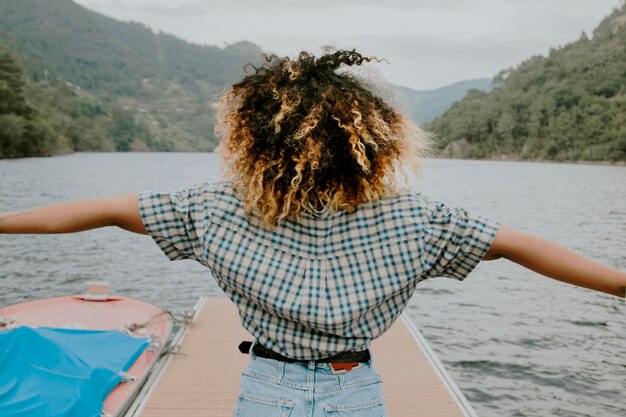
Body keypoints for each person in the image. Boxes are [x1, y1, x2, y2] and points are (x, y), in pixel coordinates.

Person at [1, 49, 624, 417]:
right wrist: (621, 284)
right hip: (356, 386)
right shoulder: (415, 218)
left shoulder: (216, 208)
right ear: (370, 144)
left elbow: (104, 209)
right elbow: (521, 245)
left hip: (267, 386)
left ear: (257, 141)